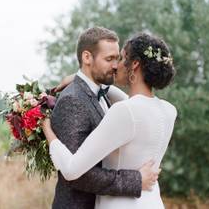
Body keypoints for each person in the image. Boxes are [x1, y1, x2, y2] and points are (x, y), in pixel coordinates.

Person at [43, 32, 177, 208]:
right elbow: (128, 103)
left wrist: (46, 127)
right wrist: (79, 78)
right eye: (111, 59)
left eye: (120, 58)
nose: (116, 66)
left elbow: (70, 170)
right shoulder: (169, 110)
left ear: (134, 65)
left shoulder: (124, 110)